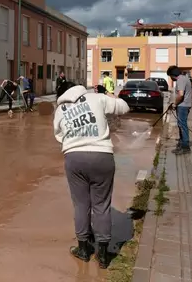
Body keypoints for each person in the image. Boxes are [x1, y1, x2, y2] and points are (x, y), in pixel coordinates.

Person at [53, 81, 130, 268]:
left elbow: (59, 135)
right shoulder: (97, 98)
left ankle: (83, 249)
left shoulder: (60, 110)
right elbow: (124, 107)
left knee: (81, 205)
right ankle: (103, 255)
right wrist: (110, 96)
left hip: (74, 158)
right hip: (102, 155)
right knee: (102, 205)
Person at [168, 65, 192, 154]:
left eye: (170, 76)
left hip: (183, 106)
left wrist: (175, 104)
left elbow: (181, 94)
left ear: (172, 75)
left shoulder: (180, 80)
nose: (171, 78)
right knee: (181, 125)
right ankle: (182, 144)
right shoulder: (184, 78)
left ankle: (185, 147)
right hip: (185, 105)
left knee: (182, 126)